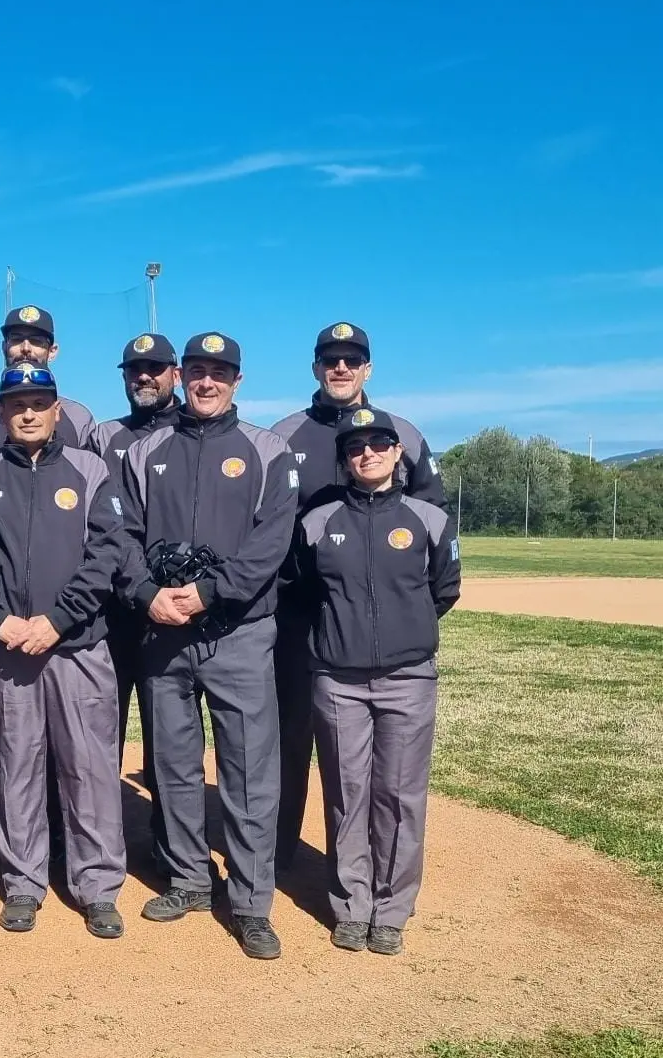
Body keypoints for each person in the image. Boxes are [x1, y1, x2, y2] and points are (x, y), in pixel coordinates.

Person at [0, 364, 129, 938]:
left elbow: (107, 553)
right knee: (13, 765)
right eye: (16, 403)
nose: (27, 412)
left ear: (57, 408)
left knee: (88, 769)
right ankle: (23, 883)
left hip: (77, 649)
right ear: (0, 412)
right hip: (7, 647)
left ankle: (96, 887)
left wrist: (59, 620)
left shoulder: (91, 470)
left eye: (39, 401)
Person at [118, 332, 297, 960]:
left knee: (248, 771)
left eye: (219, 372)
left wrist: (207, 592)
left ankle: (251, 902)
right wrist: (148, 595)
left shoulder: (267, 451)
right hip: (163, 633)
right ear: (181, 375)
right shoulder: (145, 451)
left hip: (239, 631)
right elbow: (121, 536)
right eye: (197, 370)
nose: (207, 381)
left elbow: (270, 544)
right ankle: (189, 879)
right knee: (172, 763)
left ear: (237, 380)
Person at [269, 322, 448, 870]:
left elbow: (432, 529)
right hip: (298, 618)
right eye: (330, 359)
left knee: (377, 767)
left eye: (352, 359)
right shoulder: (285, 435)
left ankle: (370, 870)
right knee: (290, 739)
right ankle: (278, 855)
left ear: (368, 368)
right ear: (316, 367)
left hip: (371, 627)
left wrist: (399, 611)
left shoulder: (403, 434)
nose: (340, 368)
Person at [283, 407, 460, 955]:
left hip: (408, 678)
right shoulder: (317, 521)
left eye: (379, 443)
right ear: (344, 458)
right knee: (347, 794)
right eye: (356, 446)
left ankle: (392, 907)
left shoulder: (428, 519)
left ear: (397, 451)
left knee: (400, 795)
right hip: (338, 680)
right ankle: (351, 904)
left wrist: (403, 634)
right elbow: (303, 591)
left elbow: (444, 591)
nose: (368, 453)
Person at [89, 332, 183, 846]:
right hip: (113, 610)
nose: (143, 376)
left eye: (154, 367)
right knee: (102, 729)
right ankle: (100, 840)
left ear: (174, 373)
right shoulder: (104, 436)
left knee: (167, 736)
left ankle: (166, 842)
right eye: (133, 369)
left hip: (170, 612)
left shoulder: (193, 434)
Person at [0, 306, 95, 459]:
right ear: (4, 347)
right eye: (16, 340)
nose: (26, 348)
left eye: (36, 341)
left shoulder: (79, 419)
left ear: (52, 351)